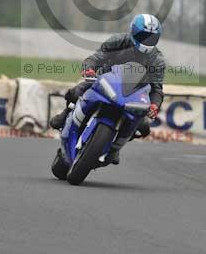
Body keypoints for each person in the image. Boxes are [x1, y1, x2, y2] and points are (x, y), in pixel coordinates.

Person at [49, 13, 165, 164]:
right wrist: (89, 69)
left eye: (151, 37)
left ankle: (115, 149)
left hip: (133, 94)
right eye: (143, 35)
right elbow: (96, 57)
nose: (146, 40)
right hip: (104, 81)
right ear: (133, 32)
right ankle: (66, 114)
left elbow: (157, 88)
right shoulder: (118, 41)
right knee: (76, 91)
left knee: (143, 126)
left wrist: (155, 105)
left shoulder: (157, 59)